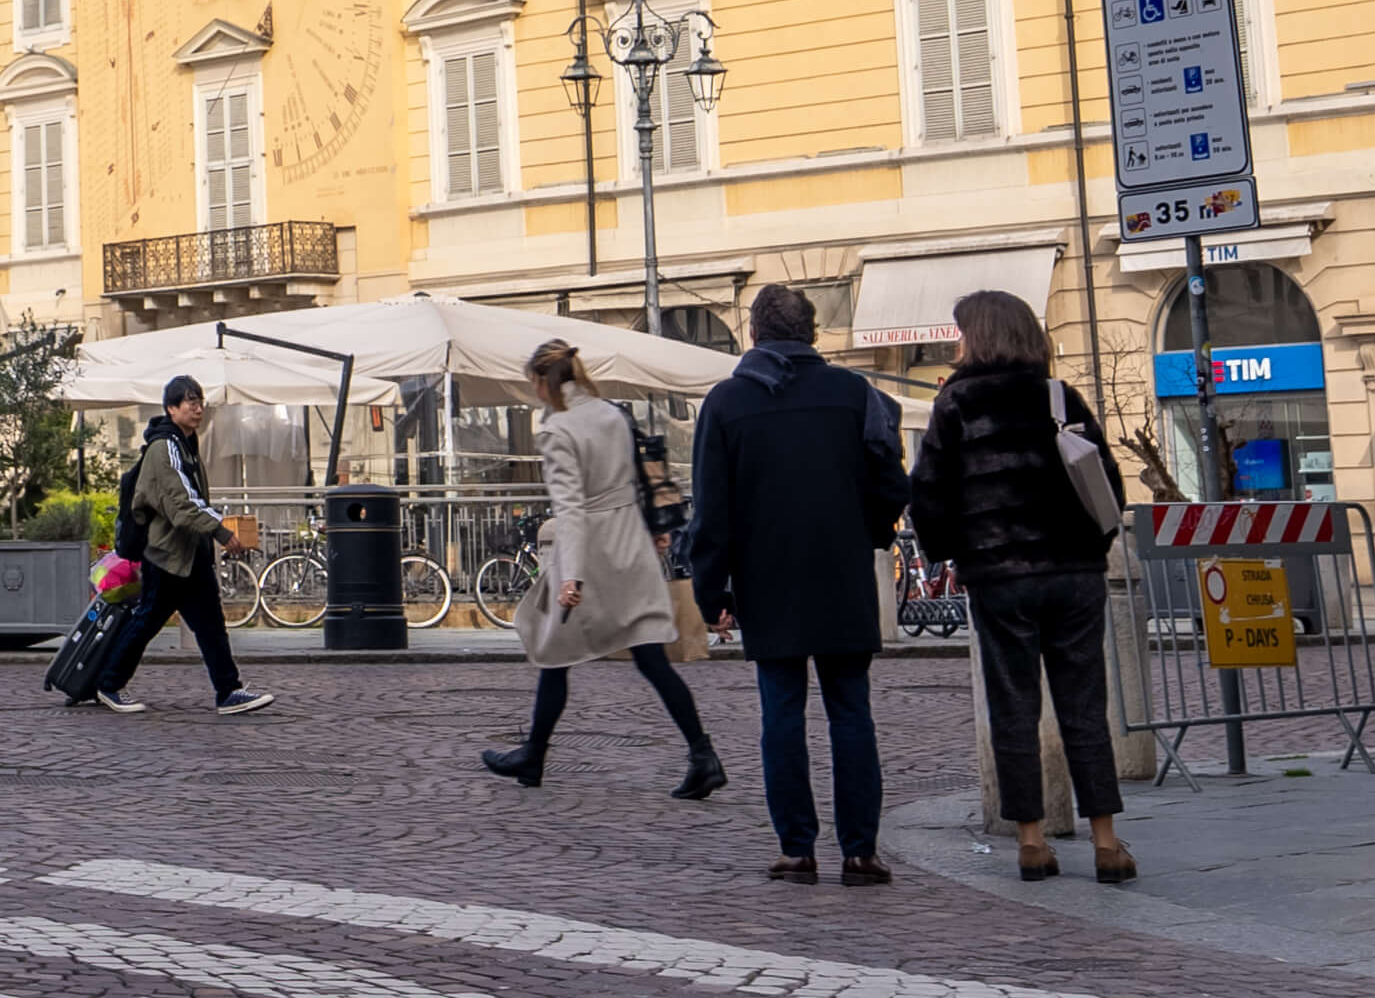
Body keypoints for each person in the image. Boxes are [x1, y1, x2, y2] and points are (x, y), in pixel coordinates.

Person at [905, 289, 1134, 885]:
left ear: (978, 336)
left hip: (1000, 578)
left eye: (960, 334)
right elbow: (1109, 488)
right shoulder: (1060, 396)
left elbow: (927, 494)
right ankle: (1107, 843)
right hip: (1075, 575)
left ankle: (1032, 842)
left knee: (1014, 707)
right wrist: (1091, 549)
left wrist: (952, 551)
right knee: (1085, 706)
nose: (954, 344)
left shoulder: (955, 403)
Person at [687, 284, 908, 885]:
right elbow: (891, 482)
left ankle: (797, 849)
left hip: (767, 579)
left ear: (754, 334)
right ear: (812, 334)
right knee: (851, 713)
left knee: (781, 713)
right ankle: (860, 851)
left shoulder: (727, 403)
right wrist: (865, 531)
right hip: (841, 573)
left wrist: (712, 592)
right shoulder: (853, 393)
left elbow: (710, 510)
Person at [482, 342, 723, 801]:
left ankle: (534, 755)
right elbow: (639, 474)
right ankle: (701, 753)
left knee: (555, 652)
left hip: (592, 554)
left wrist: (570, 575)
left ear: (539, 381)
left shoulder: (558, 430)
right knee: (650, 659)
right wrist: (654, 529)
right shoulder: (611, 413)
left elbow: (569, 507)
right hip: (630, 543)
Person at [88, 376, 275, 717]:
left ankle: (228, 691)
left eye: (200, 401)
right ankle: (108, 683)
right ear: (171, 408)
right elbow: (181, 503)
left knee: (209, 625)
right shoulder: (166, 447)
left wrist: (211, 533)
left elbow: (191, 501)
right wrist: (218, 530)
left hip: (188, 555)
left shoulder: (187, 443)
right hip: (168, 556)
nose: (197, 408)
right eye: (189, 402)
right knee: (146, 622)